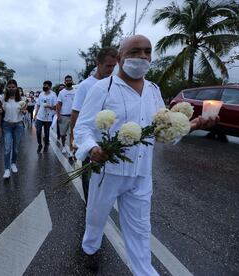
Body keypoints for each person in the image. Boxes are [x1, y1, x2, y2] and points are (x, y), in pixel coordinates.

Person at [74, 35, 218, 274]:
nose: (142, 56)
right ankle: (90, 250)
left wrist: (193, 125)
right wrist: (92, 148)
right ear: (120, 57)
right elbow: (83, 127)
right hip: (107, 171)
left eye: (147, 51)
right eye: (135, 51)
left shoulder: (153, 90)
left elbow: (161, 132)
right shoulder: (103, 87)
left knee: (141, 230)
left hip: (140, 174)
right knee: (95, 219)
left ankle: (145, 271)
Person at [70, 47, 118, 204]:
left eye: (113, 66)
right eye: (108, 66)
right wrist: (74, 139)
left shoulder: (115, 84)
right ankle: (89, 211)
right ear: (98, 63)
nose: (111, 70)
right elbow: (76, 113)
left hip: (110, 143)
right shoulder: (86, 85)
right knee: (90, 182)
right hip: (91, 142)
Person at [1, 79, 26, 178]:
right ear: (7, 88)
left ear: (16, 88)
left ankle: (13, 163)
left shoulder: (22, 100)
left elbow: (24, 111)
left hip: (18, 126)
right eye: (9, 87)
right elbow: (1, 111)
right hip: (7, 126)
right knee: (7, 148)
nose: (11, 89)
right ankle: (6, 169)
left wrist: (24, 111)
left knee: (15, 149)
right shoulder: (3, 99)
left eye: (13, 87)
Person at [34, 80, 57, 153]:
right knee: (38, 131)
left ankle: (46, 145)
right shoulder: (41, 94)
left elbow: (56, 107)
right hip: (40, 117)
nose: (44, 87)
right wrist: (35, 115)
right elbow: (38, 105)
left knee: (47, 133)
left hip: (48, 118)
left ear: (50, 87)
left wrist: (49, 106)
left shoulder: (53, 95)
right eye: (44, 85)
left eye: (46, 86)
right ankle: (40, 144)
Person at [56, 75, 76, 157]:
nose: (68, 82)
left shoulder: (76, 91)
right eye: (67, 81)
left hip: (73, 116)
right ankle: (64, 145)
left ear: (72, 81)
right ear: (65, 82)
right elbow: (59, 105)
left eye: (70, 80)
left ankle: (71, 151)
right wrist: (58, 116)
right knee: (63, 134)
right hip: (64, 116)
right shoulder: (62, 92)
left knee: (72, 134)